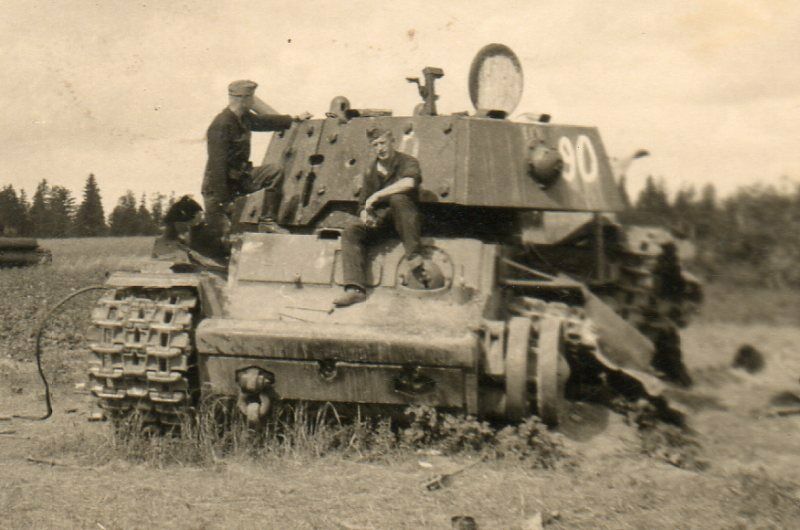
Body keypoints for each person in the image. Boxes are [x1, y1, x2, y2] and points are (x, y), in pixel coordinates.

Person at [202, 79, 310, 239]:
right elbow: (217, 167)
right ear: (244, 99)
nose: (254, 102)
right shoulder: (221, 125)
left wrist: (293, 120)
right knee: (221, 239)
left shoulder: (243, 118)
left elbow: (265, 122)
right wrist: (224, 202)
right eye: (252, 98)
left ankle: (267, 221)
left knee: (274, 171)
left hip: (240, 178)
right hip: (218, 189)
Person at [334, 126, 425, 307]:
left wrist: (377, 196)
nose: (379, 148)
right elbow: (362, 203)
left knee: (399, 199)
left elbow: (409, 182)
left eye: (382, 143)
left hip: (407, 220)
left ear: (392, 142)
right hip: (382, 223)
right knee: (351, 232)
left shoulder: (407, 161)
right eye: (375, 145)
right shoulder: (370, 171)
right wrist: (365, 215)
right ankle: (355, 289)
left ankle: (414, 258)